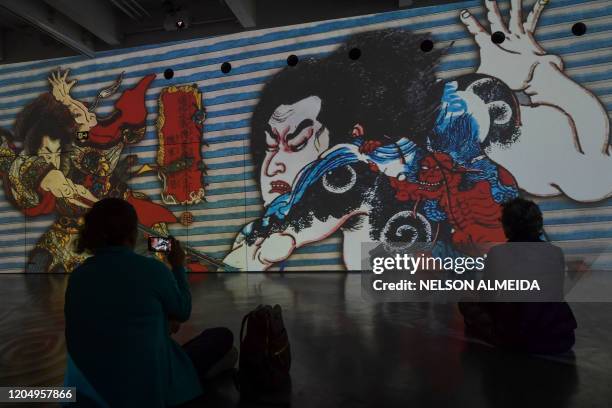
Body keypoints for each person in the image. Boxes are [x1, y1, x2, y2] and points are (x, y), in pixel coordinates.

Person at [64, 198, 236, 407]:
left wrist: (161, 325)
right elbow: (182, 310)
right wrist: (178, 266)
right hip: (147, 388)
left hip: (88, 392)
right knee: (221, 338)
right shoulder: (152, 270)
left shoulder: (78, 277)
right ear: (132, 232)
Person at [459, 198, 577, 354]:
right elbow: (555, 292)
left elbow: (488, 298)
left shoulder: (498, 254)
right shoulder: (555, 252)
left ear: (508, 225)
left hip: (518, 339)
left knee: (466, 300)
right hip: (559, 338)